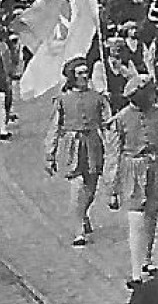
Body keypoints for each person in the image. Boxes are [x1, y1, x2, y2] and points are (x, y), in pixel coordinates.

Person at [108, 73, 158, 289]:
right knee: (136, 221)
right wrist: (112, 188)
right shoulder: (121, 118)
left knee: (152, 216)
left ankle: (147, 260)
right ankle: (136, 273)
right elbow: (113, 154)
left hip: (155, 168)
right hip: (132, 170)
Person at [45, 57, 111, 247]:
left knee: (91, 189)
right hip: (72, 145)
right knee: (77, 188)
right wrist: (50, 155)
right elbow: (54, 128)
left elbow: (108, 124)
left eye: (86, 72)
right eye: (80, 73)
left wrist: (113, 147)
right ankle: (79, 232)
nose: (84, 76)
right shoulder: (62, 100)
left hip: (93, 144)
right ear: (72, 76)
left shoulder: (98, 98)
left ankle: (83, 213)